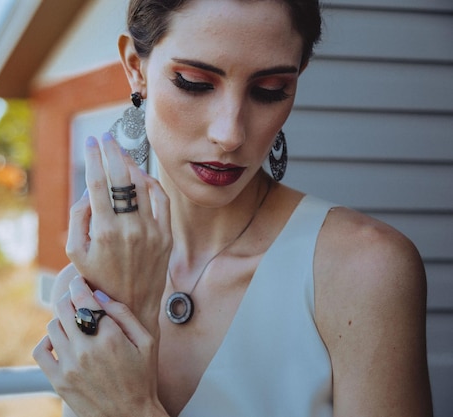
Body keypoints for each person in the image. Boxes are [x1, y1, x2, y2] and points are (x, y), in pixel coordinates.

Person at [32, 0, 434, 416]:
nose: (230, 133)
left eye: (269, 91)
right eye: (193, 82)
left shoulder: (365, 272)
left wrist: (132, 408)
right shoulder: (85, 289)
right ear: (136, 68)